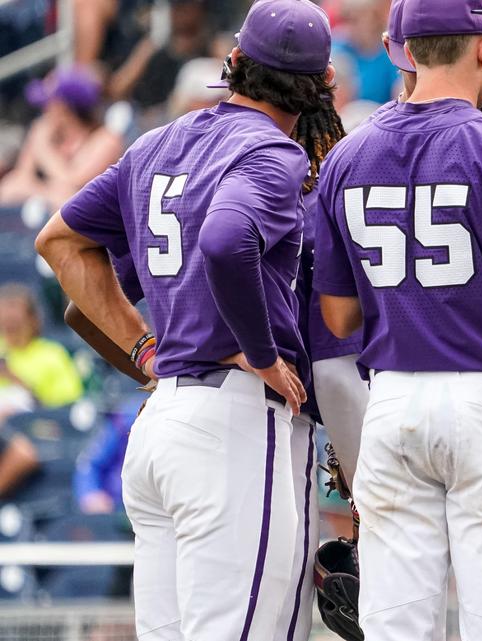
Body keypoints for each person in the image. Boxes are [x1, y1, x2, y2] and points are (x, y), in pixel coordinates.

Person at [35, 1, 333, 637]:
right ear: (320, 85)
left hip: (161, 425)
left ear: (236, 62)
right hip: (233, 425)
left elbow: (59, 243)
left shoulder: (156, 143)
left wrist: (147, 353)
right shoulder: (274, 154)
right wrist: (258, 351)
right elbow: (227, 239)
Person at [312, 0, 482, 638]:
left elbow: (338, 314)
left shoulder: (347, 156)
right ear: (481, 48)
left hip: (390, 400)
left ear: (405, 51)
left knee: (396, 626)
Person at [0, 67, 126, 210]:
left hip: (97, 221)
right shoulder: (47, 135)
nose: (44, 111)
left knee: (64, 196)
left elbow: (75, 189)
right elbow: (20, 179)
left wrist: (43, 148)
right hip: (53, 213)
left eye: (48, 104)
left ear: (65, 108)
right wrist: (48, 194)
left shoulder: (106, 140)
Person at [0, 283, 84, 409]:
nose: (10, 329)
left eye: (15, 322)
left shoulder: (53, 355)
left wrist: (16, 381)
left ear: (33, 320)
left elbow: (67, 409)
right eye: (5, 322)